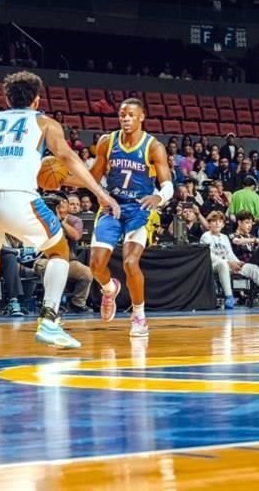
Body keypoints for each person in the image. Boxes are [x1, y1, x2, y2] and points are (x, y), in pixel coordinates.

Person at [0, 72, 119, 355]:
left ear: (6, 99)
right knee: (60, 253)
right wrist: (100, 193)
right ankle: (49, 321)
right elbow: (66, 157)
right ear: (37, 99)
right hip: (19, 197)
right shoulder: (43, 122)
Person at [85, 98, 173, 338]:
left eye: (131, 114)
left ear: (141, 117)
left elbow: (168, 186)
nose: (125, 118)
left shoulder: (153, 147)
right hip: (112, 206)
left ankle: (139, 316)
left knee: (130, 262)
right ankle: (109, 288)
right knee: (95, 265)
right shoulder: (107, 142)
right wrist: (68, 178)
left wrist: (159, 198)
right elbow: (92, 179)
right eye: (122, 114)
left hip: (140, 209)